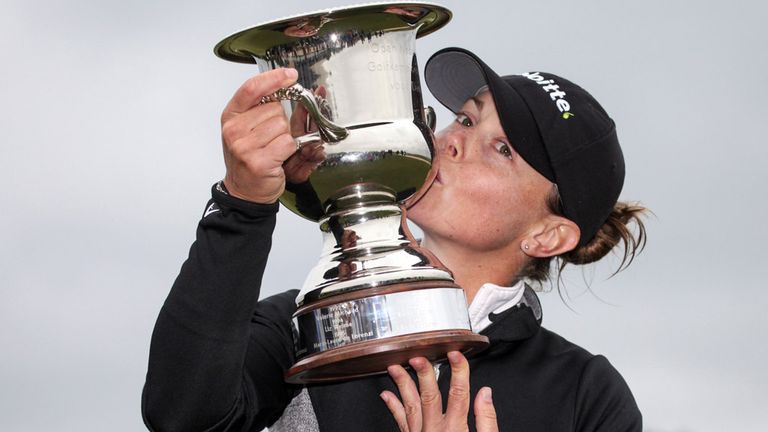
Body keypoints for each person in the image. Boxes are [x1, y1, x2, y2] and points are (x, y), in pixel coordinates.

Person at [142, 47, 647, 432]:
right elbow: (184, 416)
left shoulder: (586, 394)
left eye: (501, 149)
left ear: (547, 235)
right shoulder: (308, 325)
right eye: (467, 118)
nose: (451, 139)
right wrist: (243, 204)